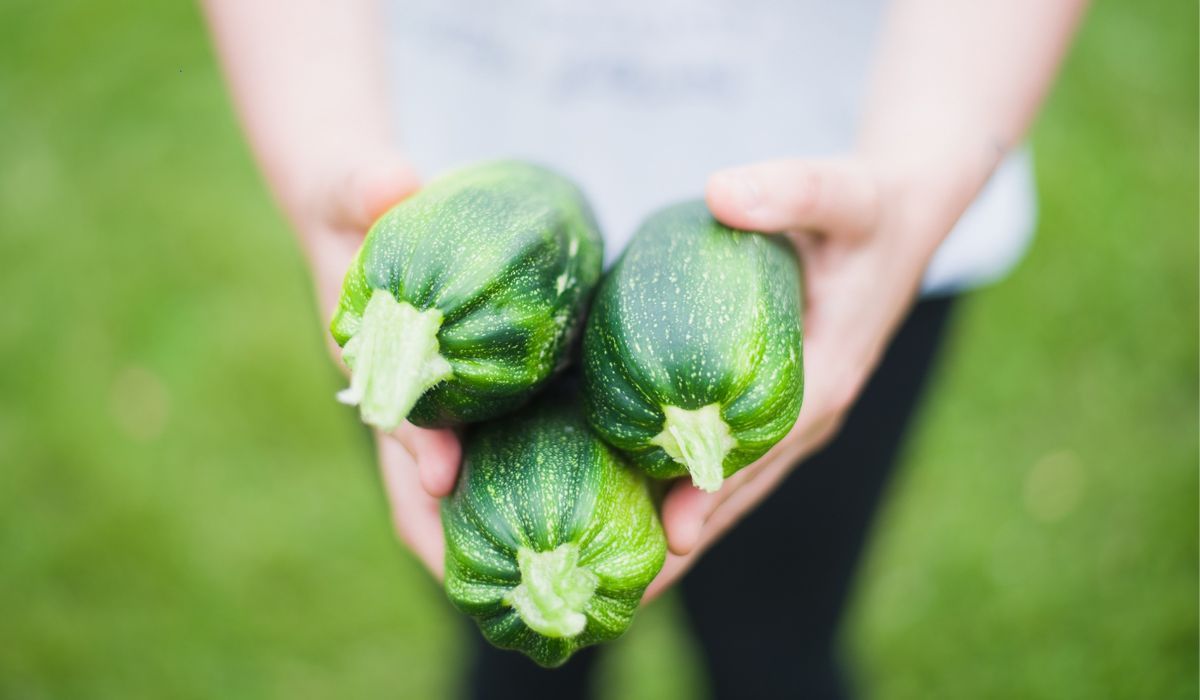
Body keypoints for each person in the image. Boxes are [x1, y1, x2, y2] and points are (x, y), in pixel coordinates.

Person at [203, 1, 1086, 696]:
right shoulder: (410, 290)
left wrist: (920, 182)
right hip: (439, 213)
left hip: (852, 226)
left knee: (776, 644)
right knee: (516, 655)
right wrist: (323, 152)